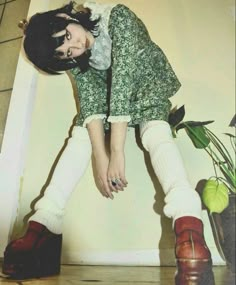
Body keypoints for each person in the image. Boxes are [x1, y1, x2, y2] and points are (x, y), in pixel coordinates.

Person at [2, 1, 214, 284]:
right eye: (66, 52)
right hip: (112, 93)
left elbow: (123, 82)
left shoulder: (117, 17)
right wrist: (100, 158)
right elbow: (90, 101)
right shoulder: (76, 57)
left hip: (146, 81)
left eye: (67, 37)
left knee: (156, 131)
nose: (75, 47)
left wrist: (116, 151)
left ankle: (189, 227)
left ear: (66, 16)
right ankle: (44, 223)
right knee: (81, 133)